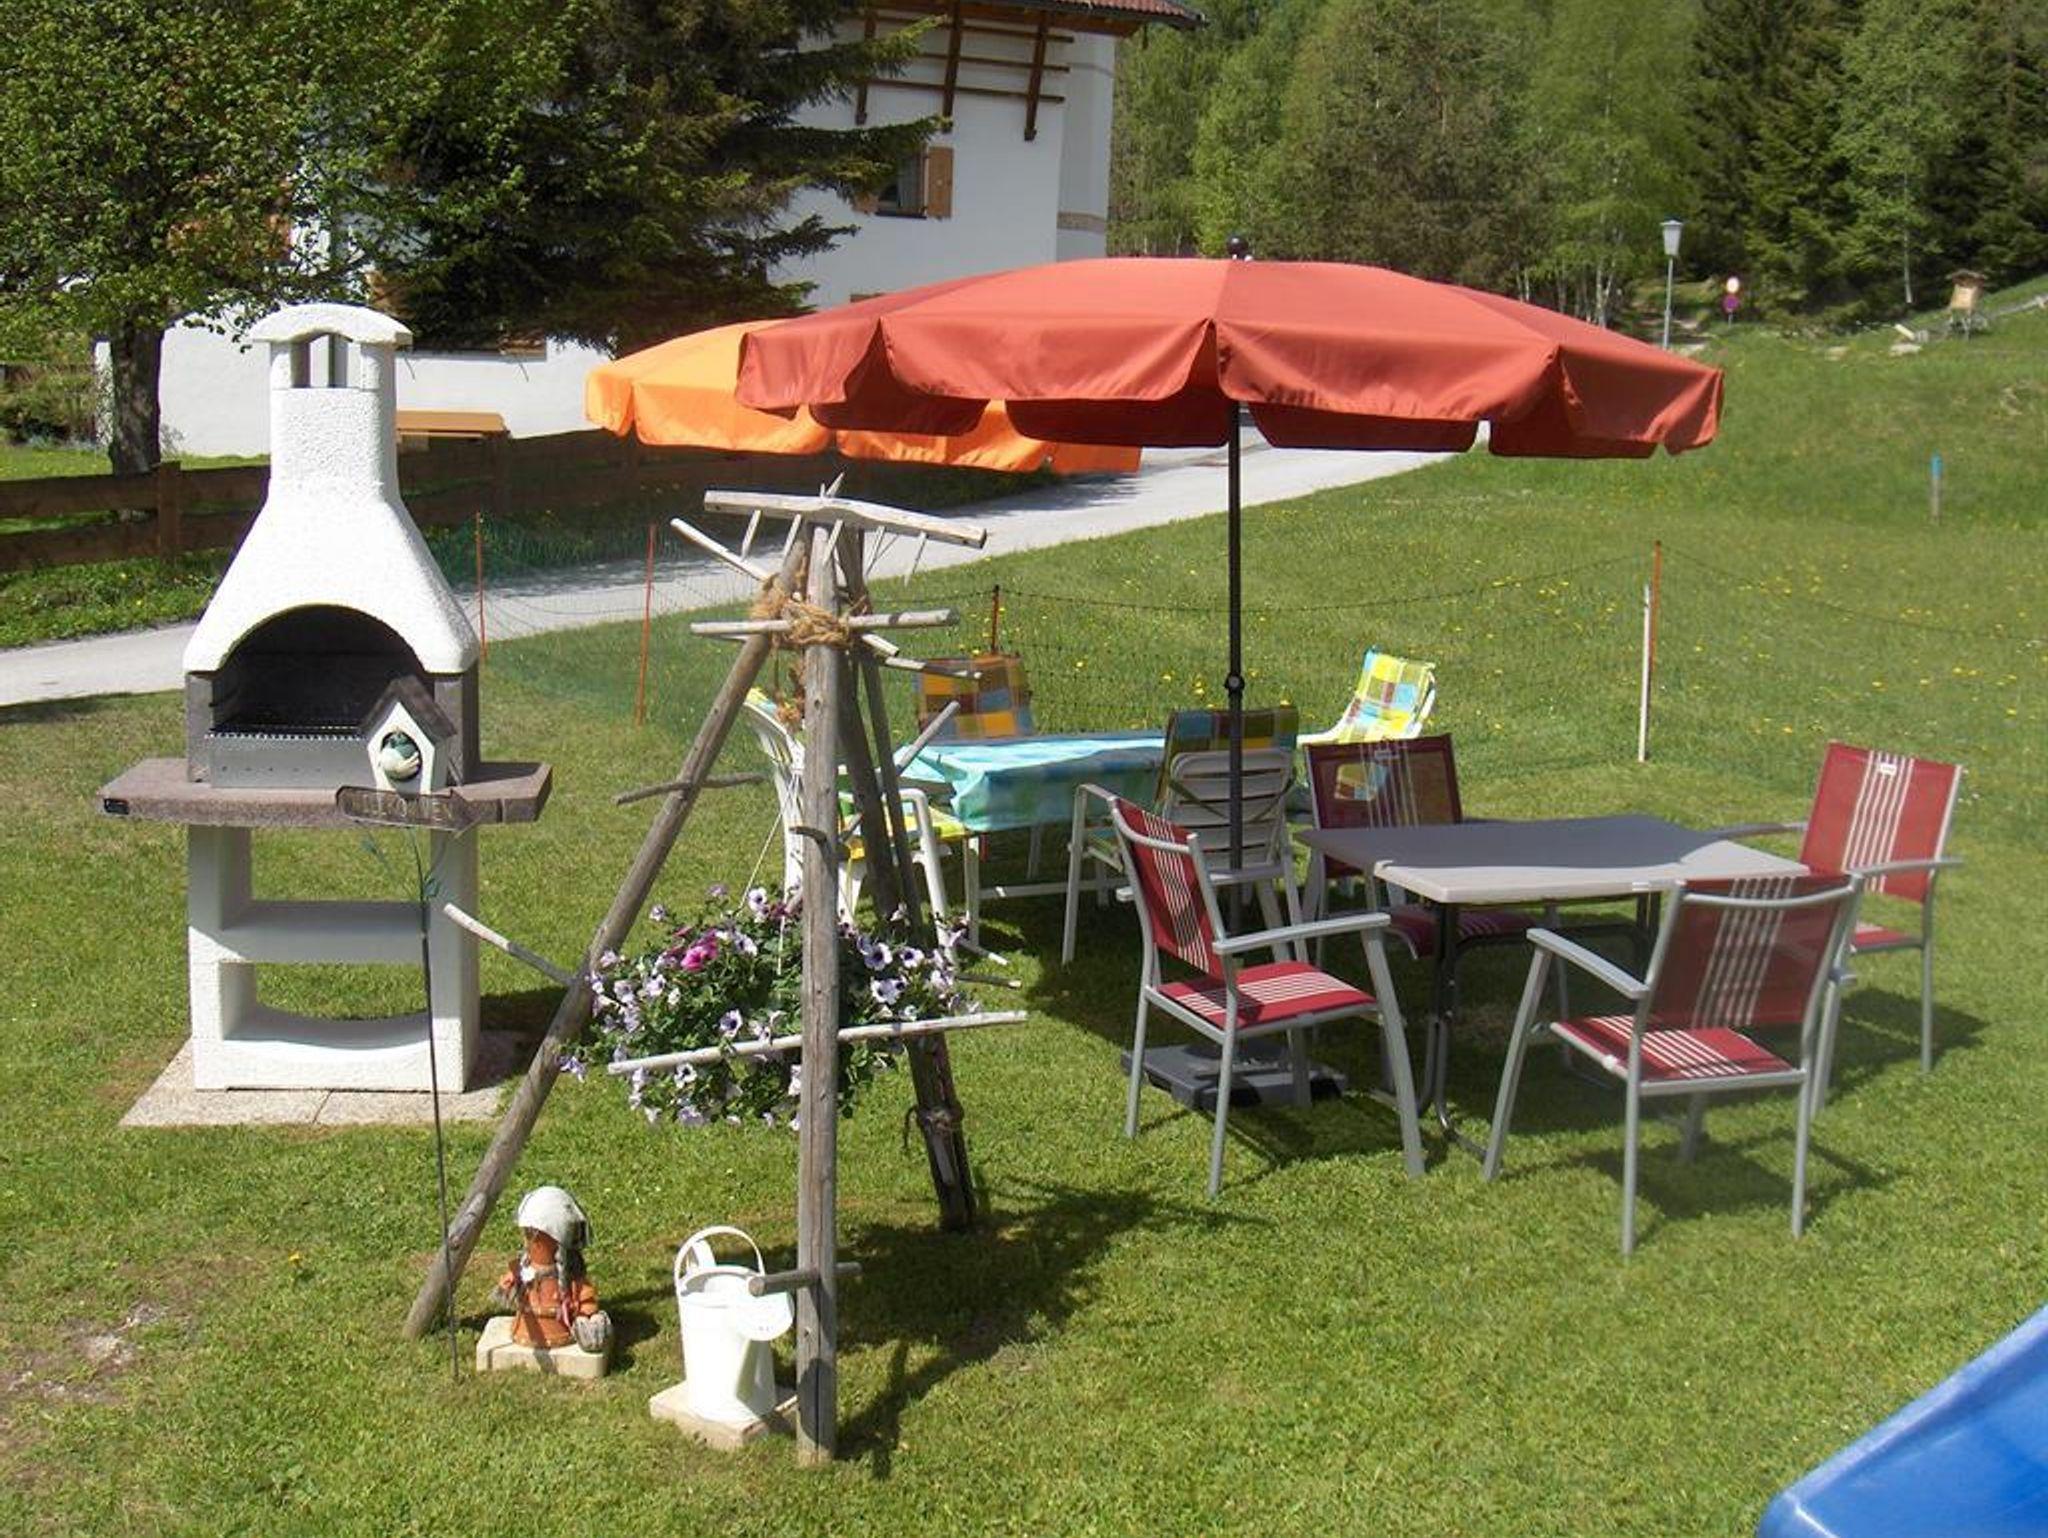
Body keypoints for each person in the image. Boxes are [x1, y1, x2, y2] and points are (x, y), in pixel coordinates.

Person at [492, 1186, 612, 1353]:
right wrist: (508, 1283)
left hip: (560, 1330)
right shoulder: (526, 1266)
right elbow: (510, 1280)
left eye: (532, 1233)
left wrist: (587, 1313)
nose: (529, 1238)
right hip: (524, 1329)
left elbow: (584, 1294)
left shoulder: (570, 1273)